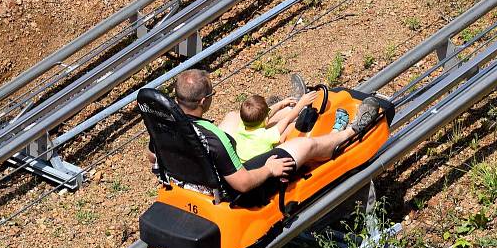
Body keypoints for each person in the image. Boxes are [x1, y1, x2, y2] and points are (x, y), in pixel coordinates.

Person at [147, 69, 379, 203]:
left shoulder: (165, 126)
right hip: (233, 193)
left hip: (193, 182)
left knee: (232, 117)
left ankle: (275, 111)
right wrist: (269, 169)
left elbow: (151, 156)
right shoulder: (215, 139)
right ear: (203, 101)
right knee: (302, 146)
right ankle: (352, 131)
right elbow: (244, 183)